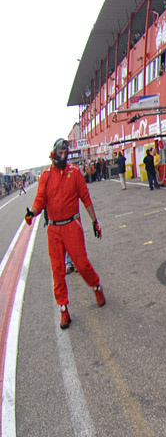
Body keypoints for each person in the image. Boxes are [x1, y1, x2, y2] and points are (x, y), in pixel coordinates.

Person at [24, 139, 105, 330]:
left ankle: (96, 287)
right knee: (57, 271)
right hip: (54, 229)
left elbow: (85, 196)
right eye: (60, 153)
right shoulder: (45, 175)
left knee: (82, 264)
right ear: (53, 153)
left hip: (72, 225)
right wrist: (32, 213)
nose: (63, 156)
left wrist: (95, 221)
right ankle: (64, 310)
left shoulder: (74, 172)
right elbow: (40, 200)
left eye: (65, 153)